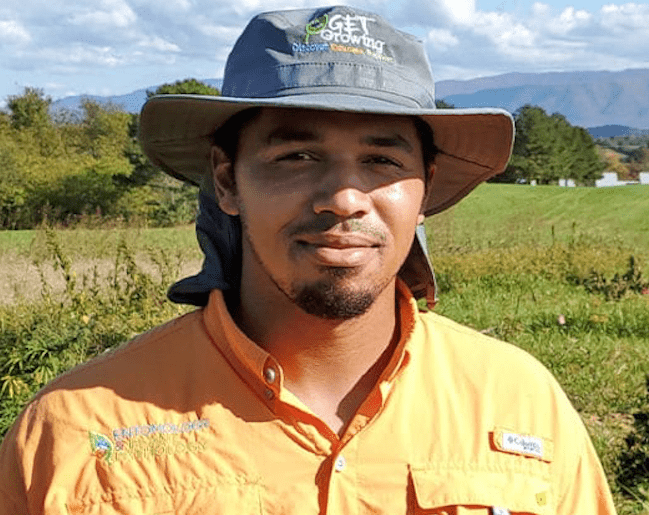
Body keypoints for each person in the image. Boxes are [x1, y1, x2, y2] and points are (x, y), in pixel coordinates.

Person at [0, 5, 617, 514]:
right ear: (226, 181)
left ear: (424, 189)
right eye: (296, 157)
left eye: (383, 161)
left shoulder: (520, 400)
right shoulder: (76, 431)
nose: (345, 198)